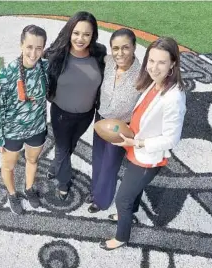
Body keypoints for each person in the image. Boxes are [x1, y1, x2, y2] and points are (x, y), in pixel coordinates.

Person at [99, 37, 186, 250]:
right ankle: (130, 211)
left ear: (173, 63)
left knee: (123, 199)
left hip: (146, 156)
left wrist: (138, 142)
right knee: (132, 191)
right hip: (136, 148)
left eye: (161, 62)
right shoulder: (155, 83)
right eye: (151, 60)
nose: (154, 67)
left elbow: (171, 139)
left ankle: (121, 237)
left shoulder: (174, 97)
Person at [43, 11, 107, 201]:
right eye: (76, 33)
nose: (81, 39)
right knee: (63, 148)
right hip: (61, 114)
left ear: (93, 35)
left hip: (86, 115)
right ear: (69, 32)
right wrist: (0, 78)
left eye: (86, 34)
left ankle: (55, 166)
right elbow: (29, 63)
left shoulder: (100, 53)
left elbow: (118, 69)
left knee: (70, 145)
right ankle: (63, 183)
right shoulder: (56, 54)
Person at [0, 24, 49, 215]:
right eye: (29, 47)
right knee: (9, 166)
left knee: (32, 161)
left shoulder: (47, 67)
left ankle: (29, 188)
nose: (33, 53)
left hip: (37, 128)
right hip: (12, 131)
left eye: (39, 48)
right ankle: (11, 194)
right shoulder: (7, 72)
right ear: (21, 45)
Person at [86, 28, 142, 214]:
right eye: (115, 48)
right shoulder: (108, 61)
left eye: (125, 48)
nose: (120, 53)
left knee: (110, 164)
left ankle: (102, 200)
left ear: (134, 47)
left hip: (121, 126)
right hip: (101, 117)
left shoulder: (142, 75)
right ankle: (95, 191)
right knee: (98, 158)